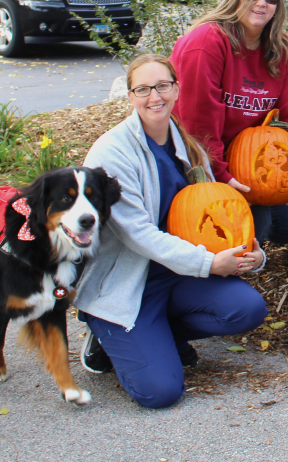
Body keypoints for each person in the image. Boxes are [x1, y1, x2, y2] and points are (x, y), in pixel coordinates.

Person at [77, 54, 267, 409]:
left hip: (178, 273)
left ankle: (157, 337)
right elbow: (137, 235)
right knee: (160, 392)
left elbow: (218, 213)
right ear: (130, 96)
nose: (155, 97)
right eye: (143, 89)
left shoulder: (187, 147)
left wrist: (253, 256)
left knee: (247, 309)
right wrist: (210, 264)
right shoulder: (112, 152)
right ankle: (105, 333)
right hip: (128, 282)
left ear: (176, 89)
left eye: (162, 86)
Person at [170, 0, 288, 254]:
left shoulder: (278, 50)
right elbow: (198, 127)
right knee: (247, 232)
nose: (262, 3)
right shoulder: (207, 43)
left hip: (250, 164)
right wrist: (224, 178)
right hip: (196, 164)